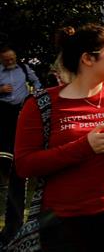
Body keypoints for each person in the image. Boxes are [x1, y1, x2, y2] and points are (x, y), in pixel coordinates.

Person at [14, 24, 104, 251]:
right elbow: (25, 166)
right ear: (87, 59)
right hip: (64, 221)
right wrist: (85, 146)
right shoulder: (41, 104)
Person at [0, 46, 42, 242]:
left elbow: (37, 83)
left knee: (17, 158)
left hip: (21, 111)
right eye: (6, 60)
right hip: (3, 112)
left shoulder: (24, 69)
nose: (10, 62)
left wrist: (35, 98)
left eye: (12, 58)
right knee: (6, 157)